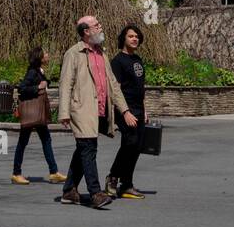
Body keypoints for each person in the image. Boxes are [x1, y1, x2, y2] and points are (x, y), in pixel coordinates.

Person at [58, 14, 136, 209]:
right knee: (88, 148)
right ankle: (96, 193)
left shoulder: (101, 53)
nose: (100, 27)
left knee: (83, 149)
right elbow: (65, 84)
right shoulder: (74, 53)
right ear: (86, 31)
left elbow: (113, 85)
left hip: (98, 110)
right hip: (81, 108)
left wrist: (124, 110)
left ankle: (69, 190)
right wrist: (64, 112)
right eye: (96, 25)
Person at [10, 48, 66, 186]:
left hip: (37, 114)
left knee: (46, 139)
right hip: (32, 114)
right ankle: (16, 174)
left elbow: (44, 83)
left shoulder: (38, 71)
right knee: (23, 142)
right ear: (40, 57)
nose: (48, 55)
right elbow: (22, 88)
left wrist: (45, 81)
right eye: (46, 54)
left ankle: (54, 172)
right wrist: (37, 87)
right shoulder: (32, 72)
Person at [106, 25, 148, 200]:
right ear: (123, 38)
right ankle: (113, 177)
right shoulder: (117, 61)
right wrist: (125, 112)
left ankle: (127, 185)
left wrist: (145, 110)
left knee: (137, 146)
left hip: (139, 109)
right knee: (129, 143)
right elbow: (116, 89)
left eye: (137, 36)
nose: (134, 39)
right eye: (131, 36)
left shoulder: (138, 60)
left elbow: (141, 87)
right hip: (126, 110)